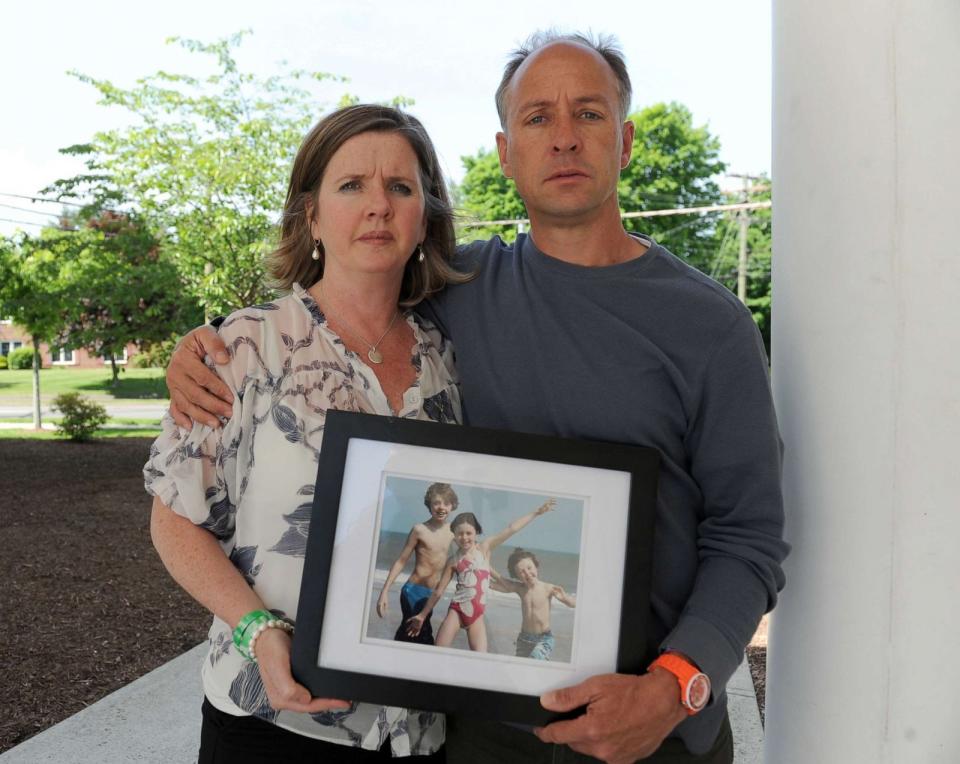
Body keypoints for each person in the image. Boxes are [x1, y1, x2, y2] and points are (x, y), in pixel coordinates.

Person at [164, 31, 788, 764]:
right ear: (504, 152)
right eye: (536, 118)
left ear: (623, 143)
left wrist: (677, 684)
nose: (562, 139)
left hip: (650, 732)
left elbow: (748, 536)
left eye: (587, 115)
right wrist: (204, 344)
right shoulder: (457, 289)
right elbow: (344, 294)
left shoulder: (710, 323)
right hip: (478, 736)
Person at [144, 104, 471, 763]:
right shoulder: (243, 347)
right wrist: (259, 631)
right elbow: (175, 522)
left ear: (424, 217)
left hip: (422, 728)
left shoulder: (454, 355)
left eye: (400, 187)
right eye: (351, 185)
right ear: (312, 215)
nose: (378, 205)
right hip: (276, 722)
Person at [405, 501, 555, 651]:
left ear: (476, 532)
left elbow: (511, 529)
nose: (464, 537)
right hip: (456, 611)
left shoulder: (484, 548)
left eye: (468, 533)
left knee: (479, 658)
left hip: (477, 617)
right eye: (459, 533)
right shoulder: (453, 561)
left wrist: (536, 513)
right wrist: (422, 615)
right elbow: (438, 591)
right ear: (454, 535)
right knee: (437, 652)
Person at [376, 482, 457, 644]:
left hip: (432, 594)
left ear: (452, 506)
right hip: (413, 591)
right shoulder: (419, 530)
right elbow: (401, 561)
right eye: (437, 503)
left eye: (446, 503)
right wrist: (384, 591)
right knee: (418, 634)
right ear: (429, 505)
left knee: (414, 635)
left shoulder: (453, 532)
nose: (442, 507)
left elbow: (464, 558)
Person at [490, 548, 576, 661]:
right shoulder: (520, 589)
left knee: (534, 660)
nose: (527, 573)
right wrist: (485, 569)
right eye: (521, 572)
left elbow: (573, 604)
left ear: (536, 566)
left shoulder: (548, 588)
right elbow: (498, 584)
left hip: (544, 638)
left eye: (529, 568)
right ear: (517, 576)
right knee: (522, 667)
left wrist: (564, 598)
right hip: (523, 639)